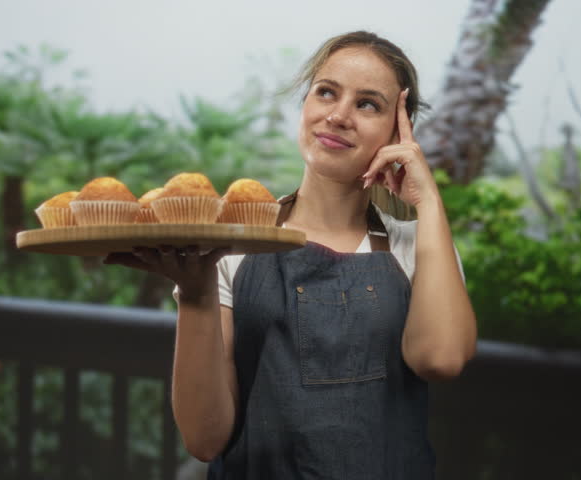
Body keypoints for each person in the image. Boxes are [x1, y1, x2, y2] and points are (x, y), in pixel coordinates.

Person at [105, 31, 477, 479]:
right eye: (326, 92)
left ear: (400, 132)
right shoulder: (228, 246)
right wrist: (195, 291)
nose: (338, 116)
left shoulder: (419, 246)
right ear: (306, 105)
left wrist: (429, 202)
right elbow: (204, 439)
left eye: (367, 104)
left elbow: (440, 358)